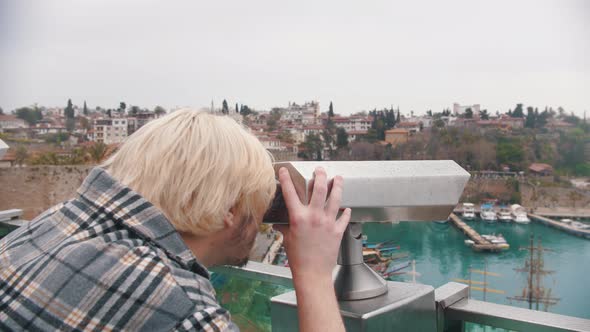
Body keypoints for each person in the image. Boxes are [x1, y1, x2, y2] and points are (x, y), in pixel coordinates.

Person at [0, 109, 351, 331]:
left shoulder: (42, 229)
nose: (262, 219)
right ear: (228, 208)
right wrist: (315, 274)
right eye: (259, 203)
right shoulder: (181, 311)